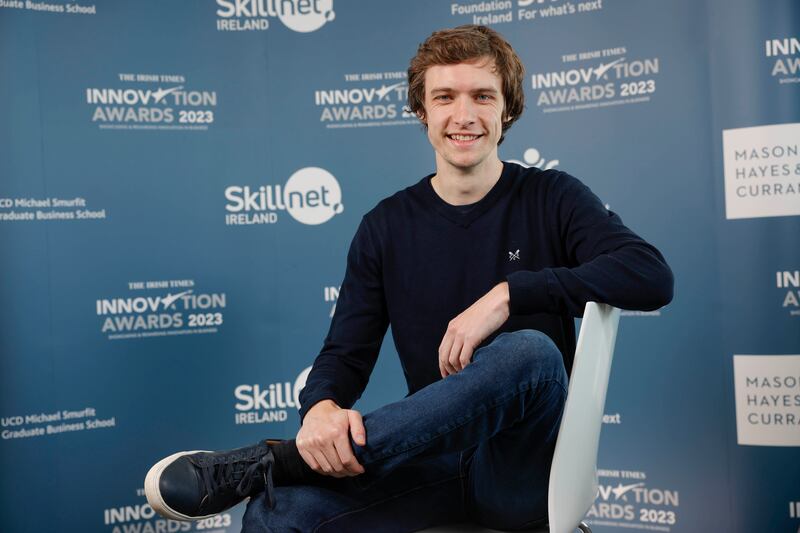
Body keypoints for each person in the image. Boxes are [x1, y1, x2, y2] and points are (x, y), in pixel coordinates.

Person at [145, 25, 673, 532]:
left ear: (508, 107)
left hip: (524, 472)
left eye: (483, 97)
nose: (463, 116)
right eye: (445, 97)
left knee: (530, 353)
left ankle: (274, 460)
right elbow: (345, 355)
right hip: (432, 460)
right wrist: (322, 409)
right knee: (276, 513)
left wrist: (512, 293)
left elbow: (650, 275)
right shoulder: (386, 226)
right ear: (421, 110)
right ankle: (284, 469)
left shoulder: (552, 197)